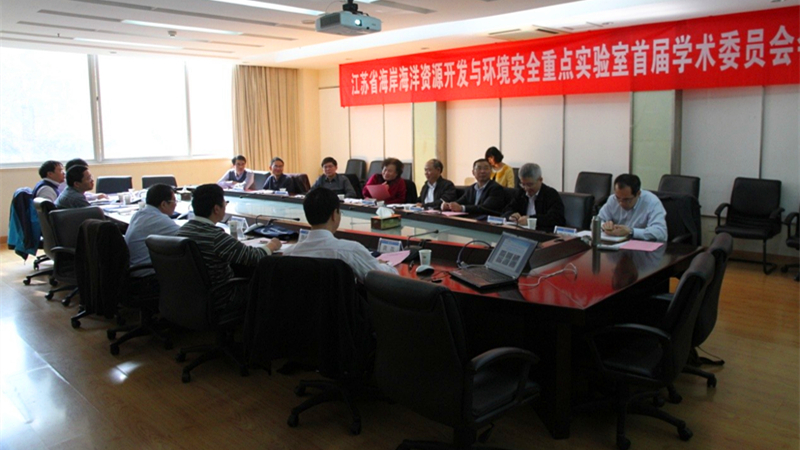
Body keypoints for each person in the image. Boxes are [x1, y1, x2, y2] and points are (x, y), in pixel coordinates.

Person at [178, 184, 281, 310]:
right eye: (225, 203)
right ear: (216, 209)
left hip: (192, 298)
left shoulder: (182, 231)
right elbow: (255, 257)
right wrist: (271, 245)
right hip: (224, 297)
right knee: (271, 286)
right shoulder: (216, 237)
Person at [284, 188, 397, 282]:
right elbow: (385, 279)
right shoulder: (350, 251)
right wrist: (385, 265)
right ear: (334, 214)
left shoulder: (289, 254)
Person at [124, 184, 180, 276]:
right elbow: (186, 237)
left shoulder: (138, 214)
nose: (175, 204)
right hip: (146, 274)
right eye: (174, 201)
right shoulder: (160, 220)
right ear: (163, 204)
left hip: (134, 269)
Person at [598, 174, 668, 242]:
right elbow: (597, 221)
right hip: (616, 245)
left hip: (641, 246)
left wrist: (631, 231)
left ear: (638, 194)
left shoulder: (652, 202)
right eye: (618, 198)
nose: (621, 203)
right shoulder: (613, 199)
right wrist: (604, 226)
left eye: (626, 200)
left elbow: (661, 233)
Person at [503, 163, 565, 231]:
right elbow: (506, 210)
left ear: (540, 180)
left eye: (530, 184)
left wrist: (531, 219)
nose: (526, 188)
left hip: (541, 233)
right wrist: (511, 215)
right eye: (523, 184)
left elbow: (557, 219)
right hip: (521, 232)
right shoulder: (520, 193)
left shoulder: (551, 194)